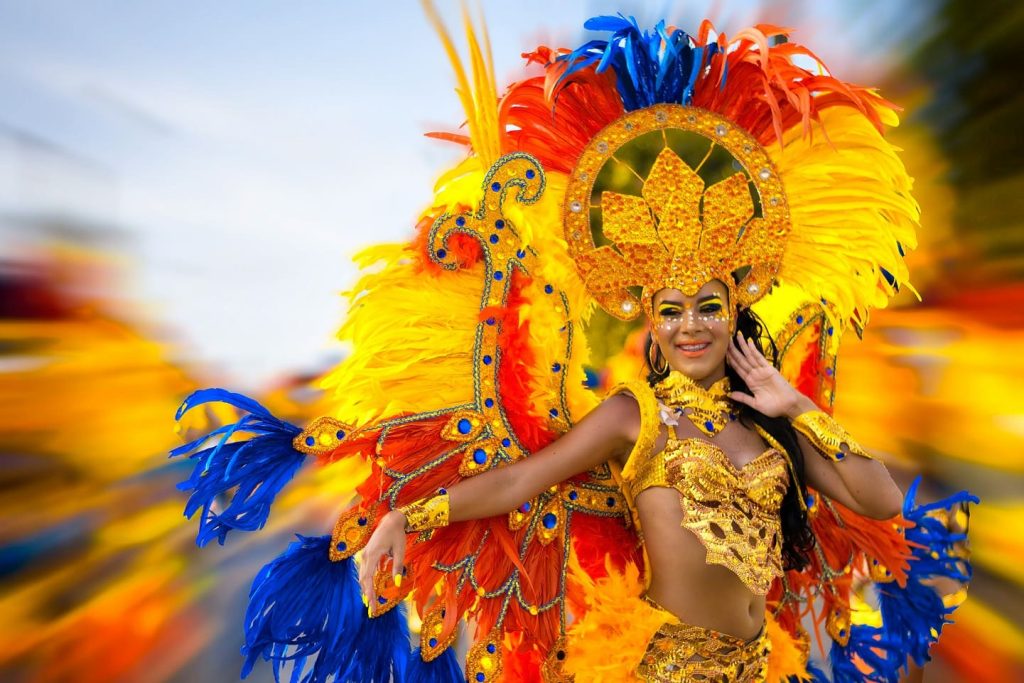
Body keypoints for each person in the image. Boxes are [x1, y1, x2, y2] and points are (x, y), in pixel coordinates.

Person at [171, 10, 976, 683]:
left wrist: (795, 407)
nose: (689, 324)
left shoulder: (770, 428)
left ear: (735, 313)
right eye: (671, 310)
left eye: (706, 307)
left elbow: (876, 500)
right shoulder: (637, 415)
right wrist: (409, 517)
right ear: (650, 320)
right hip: (653, 666)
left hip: (768, 665)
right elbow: (522, 476)